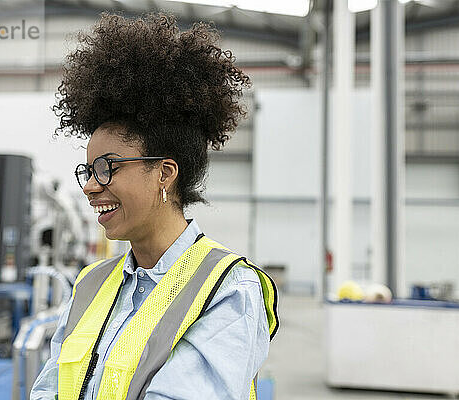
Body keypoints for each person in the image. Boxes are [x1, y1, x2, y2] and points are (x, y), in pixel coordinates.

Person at [31, 11, 279, 400]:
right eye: (87, 170)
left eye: (107, 167)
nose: (91, 187)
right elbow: (48, 388)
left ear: (164, 174)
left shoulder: (228, 289)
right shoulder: (91, 283)